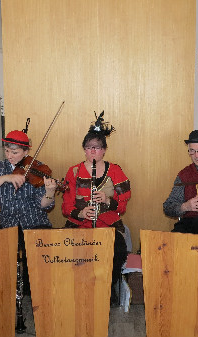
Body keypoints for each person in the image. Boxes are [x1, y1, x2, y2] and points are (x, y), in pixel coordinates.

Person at [0, 124, 57, 294]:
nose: (10, 156)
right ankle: (1, 289)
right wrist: (6, 177)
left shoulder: (39, 168)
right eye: (7, 151)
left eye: (15, 152)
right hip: (8, 222)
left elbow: (44, 205)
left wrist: (50, 192)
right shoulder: (0, 167)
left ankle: (33, 291)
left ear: (26, 152)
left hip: (34, 221)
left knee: (39, 250)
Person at [61, 112, 130, 306]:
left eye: (97, 148)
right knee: (69, 253)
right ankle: (77, 290)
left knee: (117, 250)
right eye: (89, 147)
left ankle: (108, 288)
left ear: (104, 150)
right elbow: (66, 206)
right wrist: (80, 213)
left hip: (107, 225)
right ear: (84, 150)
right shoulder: (73, 171)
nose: (93, 151)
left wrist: (109, 200)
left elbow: (122, 206)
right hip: (78, 224)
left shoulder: (115, 170)